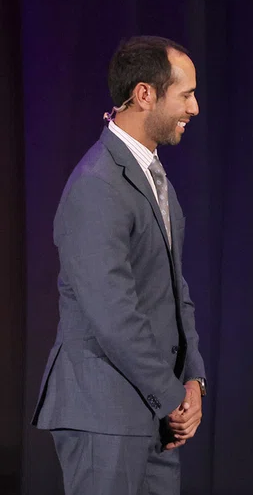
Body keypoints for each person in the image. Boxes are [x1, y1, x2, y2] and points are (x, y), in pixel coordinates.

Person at [32, 36, 207, 495]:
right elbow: (113, 314)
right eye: (185, 94)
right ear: (145, 94)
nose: (195, 107)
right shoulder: (97, 184)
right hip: (103, 413)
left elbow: (174, 288)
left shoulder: (151, 174)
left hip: (152, 414)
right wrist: (172, 397)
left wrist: (193, 378)